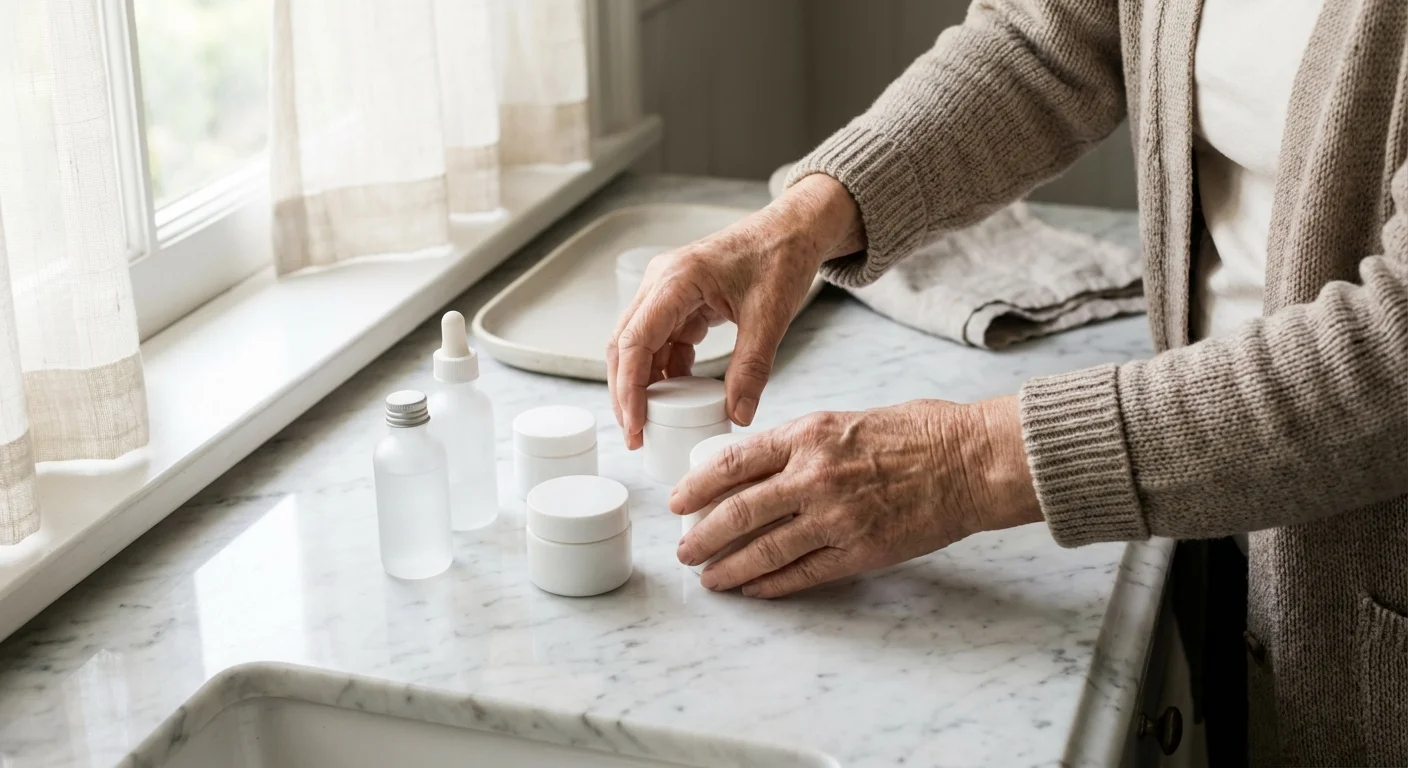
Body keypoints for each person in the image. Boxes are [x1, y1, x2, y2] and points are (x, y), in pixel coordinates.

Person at [607, 0, 1407, 764]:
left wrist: (969, 462)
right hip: (1221, 515)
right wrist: (804, 218)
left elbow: (1395, 350)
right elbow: (1048, 43)